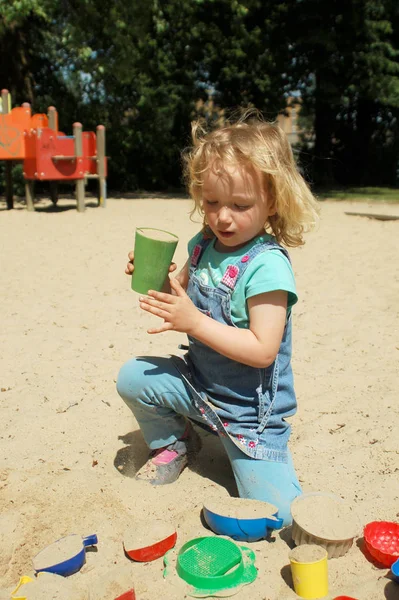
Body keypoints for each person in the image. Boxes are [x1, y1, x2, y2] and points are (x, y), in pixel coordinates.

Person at [117, 113, 319, 525]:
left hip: (249, 417)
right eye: (211, 203)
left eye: (240, 206)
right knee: (132, 377)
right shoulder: (204, 244)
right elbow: (178, 289)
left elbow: (263, 351)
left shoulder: (267, 267)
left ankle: (244, 454)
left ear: (273, 201)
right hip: (201, 387)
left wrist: (194, 323)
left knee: (275, 516)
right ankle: (177, 441)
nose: (222, 217)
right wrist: (154, 274)